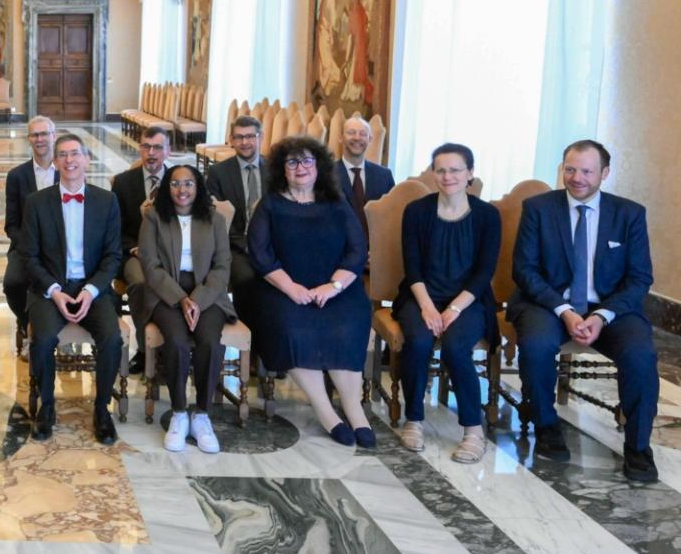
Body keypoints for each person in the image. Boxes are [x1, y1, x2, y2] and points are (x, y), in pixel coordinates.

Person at [511, 140, 657, 482]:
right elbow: (525, 270)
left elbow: (639, 279)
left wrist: (600, 316)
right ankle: (546, 427)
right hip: (548, 302)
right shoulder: (538, 208)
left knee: (640, 354)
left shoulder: (629, 214)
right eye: (570, 169)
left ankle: (638, 448)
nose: (576, 177)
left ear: (605, 173)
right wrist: (565, 310)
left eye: (587, 171)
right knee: (535, 346)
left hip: (610, 309)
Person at [248, 136, 373, 447]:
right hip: (283, 289)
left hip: (336, 289)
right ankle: (325, 411)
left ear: (319, 166)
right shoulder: (271, 204)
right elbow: (259, 253)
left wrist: (333, 286)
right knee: (293, 328)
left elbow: (357, 250)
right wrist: (291, 288)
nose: (300, 167)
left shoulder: (336, 201)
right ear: (282, 169)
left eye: (306, 161)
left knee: (347, 326)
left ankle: (354, 410)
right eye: (292, 162)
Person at [395, 143, 501, 463]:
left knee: (456, 347)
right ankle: (413, 419)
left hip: (468, 301)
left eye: (456, 169)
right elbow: (411, 266)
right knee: (418, 340)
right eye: (440, 170)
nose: (448, 176)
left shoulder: (487, 216)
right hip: (420, 295)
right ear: (433, 174)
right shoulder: (416, 211)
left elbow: (484, 272)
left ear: (470, 173)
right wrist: (427, 307)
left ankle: (472, 430)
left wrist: (454, 308)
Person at [23, 133, 123, 445]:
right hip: (51, 287)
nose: (69, 160)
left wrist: (91, 290)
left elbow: (113, 256)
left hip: (92, 287)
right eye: (62, 155)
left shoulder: (107, 201)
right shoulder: (37, 203)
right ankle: (47, 406)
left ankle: (101, 408)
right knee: (42, 341)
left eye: (75, 154)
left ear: (87, 159)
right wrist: (54, 290)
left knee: (112, 339)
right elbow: (29, 257)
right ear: (54, 162)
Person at [139, 164, 234, 454]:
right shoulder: (153, 218)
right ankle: (180, 412)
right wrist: (182, 299)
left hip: (208, 293)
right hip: (166, 291)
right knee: (178, 342)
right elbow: (150, 265)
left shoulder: (214, 220)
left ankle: (202, 415)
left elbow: (222, 265)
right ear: (167, 187)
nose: (182, 190)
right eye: (176, 184)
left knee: (209, 342)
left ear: (198, 188)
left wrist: (198, 299)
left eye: (189, 184)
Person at [111, 125, 169, 373]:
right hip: (135, 252)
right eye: (146, 147)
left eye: (157, 147)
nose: (151, 153)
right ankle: (148, 351)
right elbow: (114, 229)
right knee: (142, 283)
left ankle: (173, 347)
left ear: (168, 150)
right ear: (140, 149)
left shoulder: (182, 180)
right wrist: (134, 249)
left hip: (173, 254)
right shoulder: (123, 183)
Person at [4, 116, 57, 349]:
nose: (40, 139)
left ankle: (57, 323)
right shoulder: (16, 176)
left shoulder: (68, 170)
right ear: (29, 139)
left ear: (53, 136)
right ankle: (26, 323)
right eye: (35, 135)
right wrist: (29, 247)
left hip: (61, 247)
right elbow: (11, 224)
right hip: (25, 246)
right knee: (13, 283)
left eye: (44, 134)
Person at [205, 115, 268, 306]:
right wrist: (246, 245)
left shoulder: (276, 170)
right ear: (231, 140)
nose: (245, 142)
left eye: (250, 136)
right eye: (239, 137)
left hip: (271, 244)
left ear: (260, 137)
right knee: (247, 278)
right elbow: (216, 218)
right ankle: (247, 329)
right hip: (236, 245)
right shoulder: (218, 173)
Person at [334, 116, 395, 240]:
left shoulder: (384, 175)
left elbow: (391, 216)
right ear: (340, 137)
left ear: (370, 139)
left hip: (375, 250)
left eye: (363, 134)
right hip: (338, 251)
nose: (357, 137)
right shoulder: (325, 174)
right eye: (351, 132)